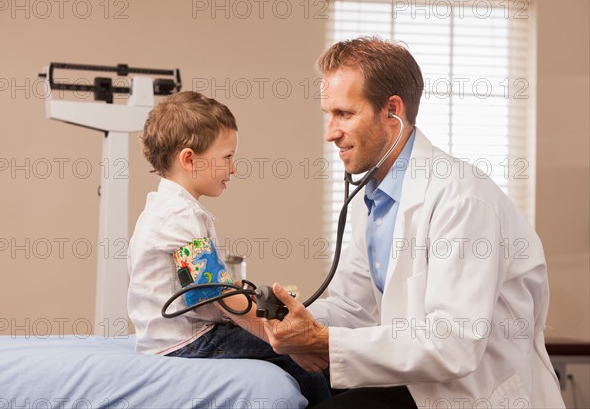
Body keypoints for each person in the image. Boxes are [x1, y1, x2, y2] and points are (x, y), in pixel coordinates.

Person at [262, 37, 565, 408]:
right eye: (328, 114)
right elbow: (354, 310)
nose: (330, 132)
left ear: (392, 110)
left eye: (344, 114)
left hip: (476, 396)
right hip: (417, 388)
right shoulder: (371, 198)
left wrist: (322, 342)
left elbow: (453, 343)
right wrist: (292, 319)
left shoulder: (462, 200)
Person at [127, 91, 330, 405]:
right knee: (303, 360)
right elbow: (211, 294)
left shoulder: (167, 208)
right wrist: (281, 341)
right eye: (227, 157)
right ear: (189, 159)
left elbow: (207, 286)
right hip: (185, 342)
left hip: (180, 336)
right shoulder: (179, 215)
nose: (233, 169)